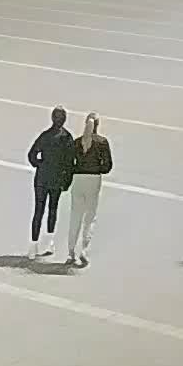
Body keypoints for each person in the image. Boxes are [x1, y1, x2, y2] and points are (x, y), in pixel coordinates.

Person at [64, 111, 113, 267]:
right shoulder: (102, 142)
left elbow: (69, 163)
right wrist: (98, 168)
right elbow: (108, 166)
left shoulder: (77, 142)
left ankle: (70, 251)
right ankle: (84, 249)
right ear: (97, 125)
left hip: (78, 180)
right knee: (90, 216)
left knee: (75, 216)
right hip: (93, 180)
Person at [27, 106, 76, 258]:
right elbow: (70, 163)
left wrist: (39, 164)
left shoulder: (45, 135)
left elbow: (32, 154)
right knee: (52, 209)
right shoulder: (67, 137)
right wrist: (67, 181)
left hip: (42, 178)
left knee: (38, 211)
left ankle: (33, 246)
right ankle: (49, 242)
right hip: (56, 179)